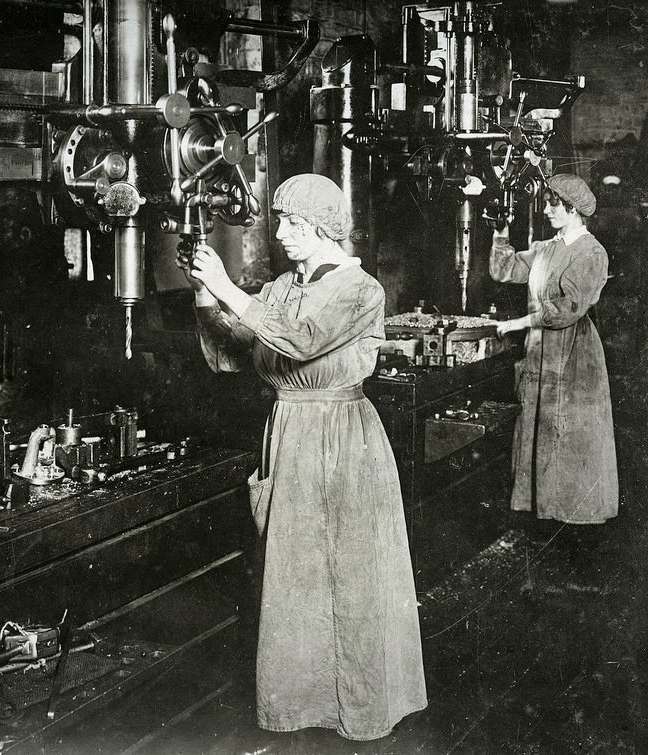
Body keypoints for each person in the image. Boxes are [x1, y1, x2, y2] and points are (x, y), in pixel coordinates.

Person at [177, 173, 427, 742]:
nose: (281, 233)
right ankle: (302, 706)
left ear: (323, 228)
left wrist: (229, 286)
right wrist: (204, 291)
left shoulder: (358, 289)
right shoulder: (287, 285)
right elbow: (234, 353)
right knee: (297, 578)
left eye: (291, 222)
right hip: (289, 430)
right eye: (280, 220)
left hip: (339, 436)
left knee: (346, 574)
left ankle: (359, 709)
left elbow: (300, 340)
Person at [490, 173, 619, 524]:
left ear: (574, 209)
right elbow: (504, 270)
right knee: (539, 429)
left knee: (568, 435)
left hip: (572, 352)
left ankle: (574, 528)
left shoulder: (591, 252)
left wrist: (519, 323)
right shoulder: (547, 248)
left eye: (553, 204)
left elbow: (567, 309)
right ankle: (543, 516)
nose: (546, 209)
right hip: (541, 351)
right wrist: (500, 229)